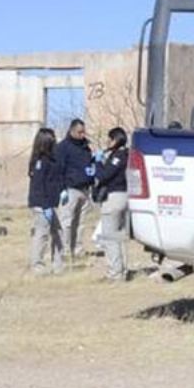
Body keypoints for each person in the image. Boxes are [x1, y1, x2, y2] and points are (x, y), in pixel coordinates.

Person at [55, 118, 96, 263]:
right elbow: (58, 169)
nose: (82, 135)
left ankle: (77, 249)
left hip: (85, 189)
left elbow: (90, 166)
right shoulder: (63, 147)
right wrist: (61, 189)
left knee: (80, 223)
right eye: (79, 132)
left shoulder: (86, 147)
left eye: (83, 132)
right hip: (70, 189)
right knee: (66, 222)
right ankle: (64, 249)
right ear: (72, 131)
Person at [92, 127, 130, 282]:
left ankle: (115, 273)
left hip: (114, 198)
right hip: (123, 198)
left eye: (110, 138)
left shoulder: (118, 157)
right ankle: (121, 269)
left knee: (110, 238)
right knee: (118, 237)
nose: (107, 142)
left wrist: (98, 162)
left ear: (115, 140)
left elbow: (104, 175)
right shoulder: (125, 155)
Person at [27, 128, 64, 275]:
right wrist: (44, 206)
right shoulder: (40, 162)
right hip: (42, 205)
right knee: (42, 234)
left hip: (51, 203)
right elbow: (38, 186)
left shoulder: (52, 159)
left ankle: (58, 265)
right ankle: (37, 265)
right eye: (53, 139)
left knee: (58, 233)